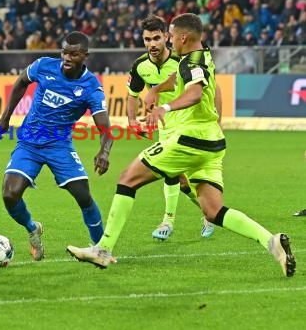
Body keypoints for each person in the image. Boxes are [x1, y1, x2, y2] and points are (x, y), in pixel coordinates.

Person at [67, 14, 296, 278]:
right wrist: (156, 90)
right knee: (212, 210)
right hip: (212, 141)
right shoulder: (203, 54)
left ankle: (103, 249)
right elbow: (181, 80)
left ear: (182, 37)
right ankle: (271, 241)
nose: (169, 40)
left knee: (128, 179)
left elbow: (195, 91)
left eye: (172, 35)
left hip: (189, 138)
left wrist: (164, 106)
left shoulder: (189, 61)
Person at [0, 31, 112, 261]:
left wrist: (104, 151)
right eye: (64, 52)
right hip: (29, 142)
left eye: (74, 54)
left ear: (85, 55)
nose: (67, 57)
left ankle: (101, 248)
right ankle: (32, 228)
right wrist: (5, 117)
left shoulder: (91, 87)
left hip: (59, 145)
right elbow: (20, 82)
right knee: (9, 194)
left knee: (83, 196)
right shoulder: (44, 66)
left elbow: (105, 126)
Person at [126, 14, 215, 240]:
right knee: (181, 180)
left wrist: (156, 91)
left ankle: (168, 221)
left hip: (187, 123)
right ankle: (207, 213)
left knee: (171, 174)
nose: (152, 44)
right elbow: (132, 95)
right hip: (164, 126)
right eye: (147, 40)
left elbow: (186, 83)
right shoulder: (139, 66)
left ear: (167, 37)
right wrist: (132, 121)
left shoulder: (182, 59)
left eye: (156, 38)